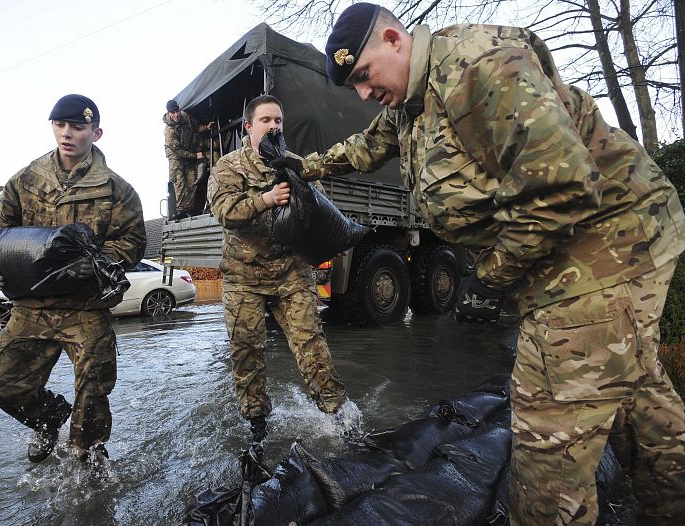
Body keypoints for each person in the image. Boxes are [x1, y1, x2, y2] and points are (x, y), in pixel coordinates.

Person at [302, 3, 685, 524]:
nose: (364, 94)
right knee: (634, 392)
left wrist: (491, 275)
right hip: (572, 242)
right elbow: (367, 148)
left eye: (364, 77)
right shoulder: (409, 105)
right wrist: (304, 166)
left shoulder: (482, 67)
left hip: (607, 241)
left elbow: (564, 187)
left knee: (546, 432)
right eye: (354, 87)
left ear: (394, 40)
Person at [0, 94, 147, 463]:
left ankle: (88, 460)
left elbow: (133, 243)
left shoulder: (117, 189)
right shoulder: (25, 180)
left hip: (85, 308)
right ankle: (48, 417)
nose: (67, 133)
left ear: (96, 133)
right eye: (60, 125)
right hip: (30, 307)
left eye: (78, 127)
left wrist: (97, 262)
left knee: (93, 392)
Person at [207, 95, 347, 444]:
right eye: (266, 120)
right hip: (245, 278)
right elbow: (225, 212)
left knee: (311, 345)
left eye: (278, 121)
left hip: (292, 274)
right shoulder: (228, 166)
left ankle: (337, 416)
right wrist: (265, 199)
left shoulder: (294, 163)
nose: (274, 126)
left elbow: (318, 208)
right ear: (249, 127)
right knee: (247, 351)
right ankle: (256, 424)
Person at [163, 99, 213, 220]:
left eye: (177, 111)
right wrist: (195, 156)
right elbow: (178, 152)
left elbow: (196, 128)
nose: (176, 114)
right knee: (180, 181)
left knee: (192, 181)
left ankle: (189, 209)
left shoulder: (186, 116)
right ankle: (180, 209)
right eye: (173, 112)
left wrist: (206, 127)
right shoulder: (169, 131)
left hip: (189, 152)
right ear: (169, 113)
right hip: (176, 157)